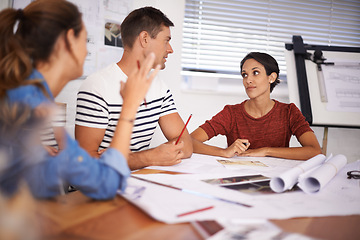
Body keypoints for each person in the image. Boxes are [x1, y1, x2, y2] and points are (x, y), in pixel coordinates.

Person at [0, 0, 159, 199]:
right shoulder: (33, 107)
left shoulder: (33, 100)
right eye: (86, 40)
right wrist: (130, 105)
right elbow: (106, 183)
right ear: (68, 41)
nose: (87, 51)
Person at [75, 6, 193, 170]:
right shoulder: (97, 86)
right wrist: (151, 156)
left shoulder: (159, 86)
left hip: (135, 181)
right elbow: (85, 162)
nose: (170, 49)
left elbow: (186, 145)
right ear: (144, 38)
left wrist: (127, 158)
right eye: (166, 40)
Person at [191, 52, 322, 160]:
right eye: (244, 75)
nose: (248, 80)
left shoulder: (289, 112)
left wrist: (265, 151)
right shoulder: (231, 113)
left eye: (256, 73)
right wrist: (224, 152)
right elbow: (188, 141)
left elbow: (314, 151)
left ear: (271, 77)